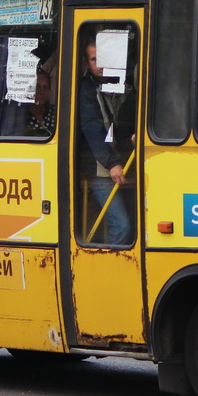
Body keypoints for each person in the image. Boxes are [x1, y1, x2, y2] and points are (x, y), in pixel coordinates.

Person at [77, 37, 134, 245]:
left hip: (115, 163)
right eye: (94, 60)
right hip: (100, 169)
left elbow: (118, 124)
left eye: (102, 59)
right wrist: (113, 163)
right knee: (122, 225)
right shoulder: (85, 89)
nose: (99, 65)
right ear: (86, 64)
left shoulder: (113, 85)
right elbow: (93, 129)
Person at [25, 70, 56, 137]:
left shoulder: (57, 113)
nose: (42, 91)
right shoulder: (22, 115)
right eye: (37, 86)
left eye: (45, 87)